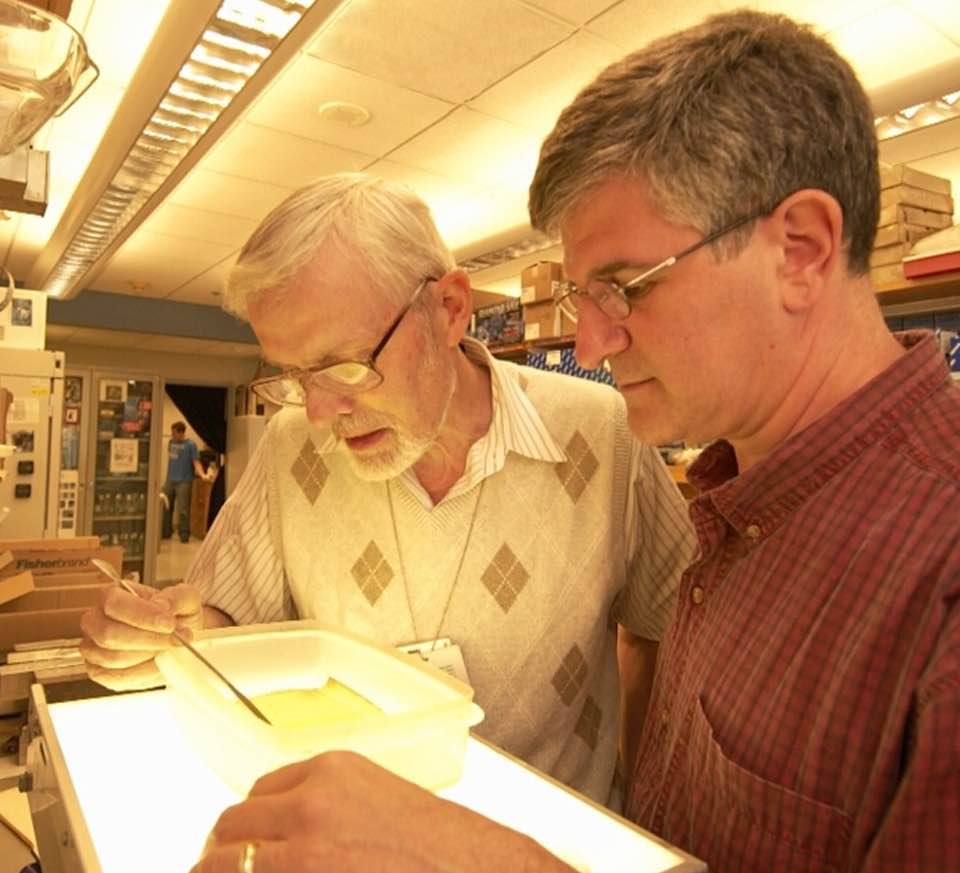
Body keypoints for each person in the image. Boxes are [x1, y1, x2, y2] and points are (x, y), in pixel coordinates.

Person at [184, 10, 960, 873]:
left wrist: (475, 857)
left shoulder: (938, 584)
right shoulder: (735, 508)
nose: (587, 344)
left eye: (626, 287)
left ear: (802, 251)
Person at [80, 173, 694, 806]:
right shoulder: (290, 447)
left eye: (346, 366)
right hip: (351, 829)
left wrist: (643, 810)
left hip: (551, 838)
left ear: (451, 309)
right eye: (296, 376)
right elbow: (224, 625)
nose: (320, 413)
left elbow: (665, 630)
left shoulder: (605, 431)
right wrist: (166, 633)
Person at [161, 421, 204, 543]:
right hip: (170, 479)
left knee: (183, 509)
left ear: (181, 433)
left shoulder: (191, 445)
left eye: (174, 433)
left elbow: (196, 462)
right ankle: (166, 532)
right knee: (165, 506)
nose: (172, 435)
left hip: (184, 481)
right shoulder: (171, 443)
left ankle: (184, 534)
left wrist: (202, 474)